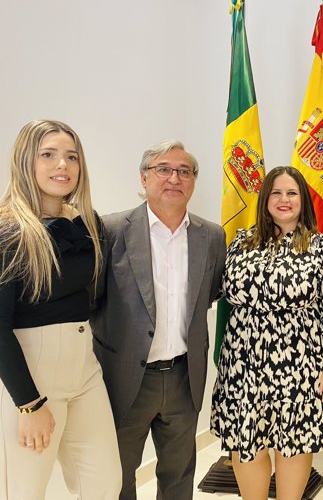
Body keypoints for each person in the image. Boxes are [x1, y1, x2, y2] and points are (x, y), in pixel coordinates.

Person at [90, 140, 226, 499]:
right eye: (163, 169)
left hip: (183, 376)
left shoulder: (211, 236)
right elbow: (93, 299)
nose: (174, 178)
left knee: (179, 475)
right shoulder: (110, 229)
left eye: (184, 171)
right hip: (124, 377)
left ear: (194, 181)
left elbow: (210, 294)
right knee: (116, 476)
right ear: (144, 177)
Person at [211, 166, 323, 500]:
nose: (284, 199)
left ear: (303, 199)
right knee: (249, 446)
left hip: (299, 365)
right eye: (276, 192)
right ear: (265, 199)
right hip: (242, 365)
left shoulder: (322, 248)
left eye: (291, 193)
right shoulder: (240, 243)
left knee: (292, 448)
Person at [0, 120, 121, 499]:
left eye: (72, 157)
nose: (63, 166)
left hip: (84, 369)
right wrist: (29, 404)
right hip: (32, 372)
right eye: (48, 155)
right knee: (26, 489)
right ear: (25, 161)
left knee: (103, 482)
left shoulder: (87, 223)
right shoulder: (9, 231)